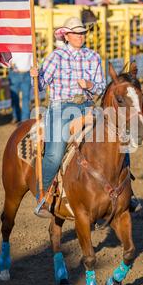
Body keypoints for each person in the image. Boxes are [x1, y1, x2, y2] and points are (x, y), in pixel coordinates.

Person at [30, 17, 106, 217]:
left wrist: (89, 86)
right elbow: (39, 87)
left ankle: (127, 192)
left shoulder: (93, 56)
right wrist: (35, 76)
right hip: (61, 107)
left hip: (88, 105)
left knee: (116, 139)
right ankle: (43, 196)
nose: (80, 36)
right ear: (66, 35)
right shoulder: (56, 57)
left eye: (82, 33)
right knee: (55, 154)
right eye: (76, 33)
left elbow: (101, 86)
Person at [8, 52, 33, 124]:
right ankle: (17, 116)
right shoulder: (13, 45)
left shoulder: (29, 45)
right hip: (15, 73)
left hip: (26, 73)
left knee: (26, 97)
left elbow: (33, 61)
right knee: (15, 97)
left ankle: (24, 119)